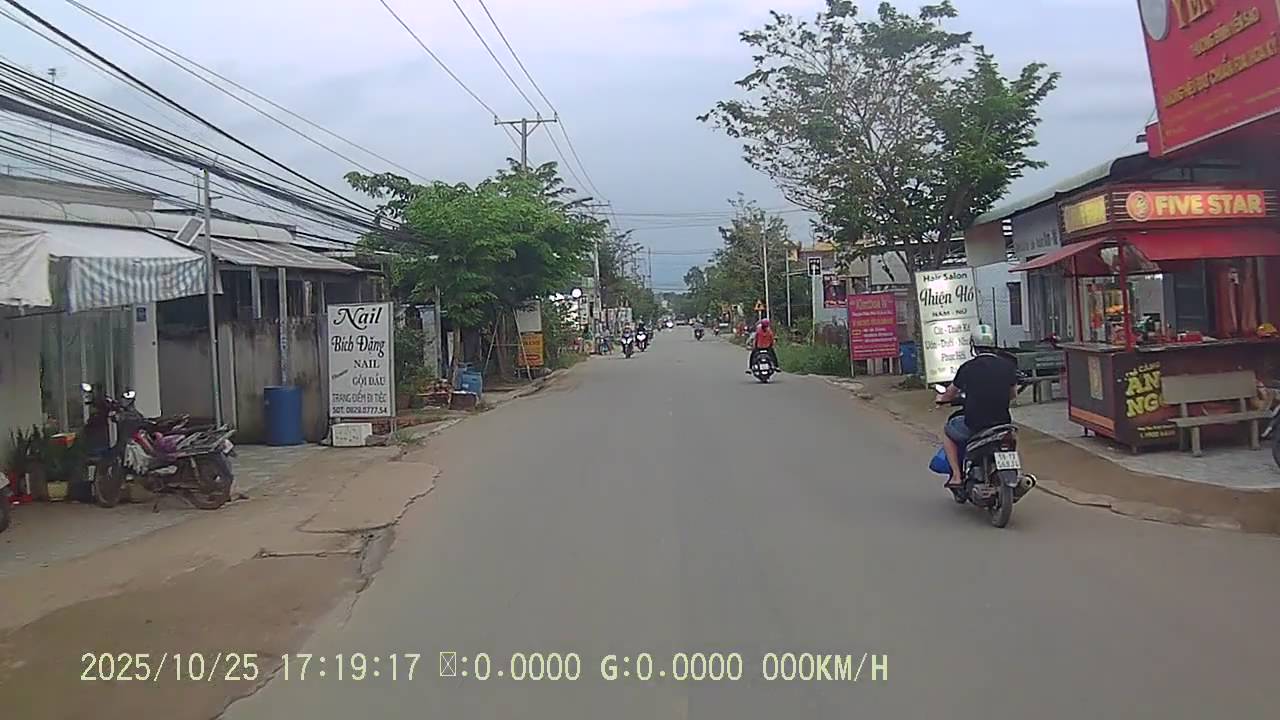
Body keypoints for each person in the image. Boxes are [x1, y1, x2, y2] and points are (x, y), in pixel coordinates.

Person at [934, 326, 1019, 488]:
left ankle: (957, 477)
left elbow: (950, 393)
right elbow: (1013, 394)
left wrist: (941, 399)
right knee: (1011, 439)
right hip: (1002, 422)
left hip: (974, 424)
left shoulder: (968, 367)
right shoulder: (1007, 366)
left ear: (973, 344)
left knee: (948, 431)